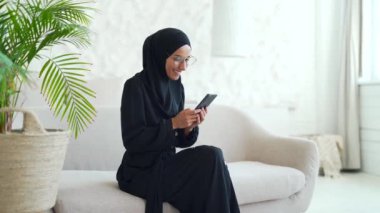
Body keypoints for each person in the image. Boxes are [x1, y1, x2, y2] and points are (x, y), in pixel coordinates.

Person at [117, 28, 240, 213]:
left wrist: (189, 128)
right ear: (160, 56)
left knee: (215, 160)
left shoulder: (176, 87)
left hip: (167, 165)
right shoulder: (135, 86)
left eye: (187, 60)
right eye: (177, 58)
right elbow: (132, 140)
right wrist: (174, 123)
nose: (183, 67)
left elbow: (178, 141)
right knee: (212, 156)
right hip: (140, 172)